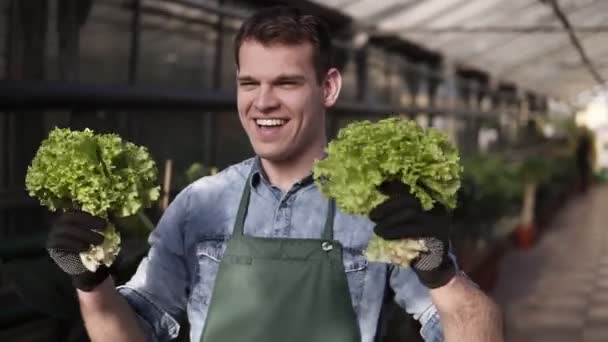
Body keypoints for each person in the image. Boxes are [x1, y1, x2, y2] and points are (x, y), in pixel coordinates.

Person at [45, 6, 503, 342]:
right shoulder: (199, 205)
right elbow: (135, 332)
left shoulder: (375, 206)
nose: (263, 102)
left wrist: (440, 273)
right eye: (249, 83)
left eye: (286, 83)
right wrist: (92, 286)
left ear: (328, 87)